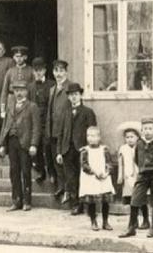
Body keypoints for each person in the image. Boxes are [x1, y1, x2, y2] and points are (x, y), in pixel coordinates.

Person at [120, 116, 153, 239]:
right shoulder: (140, 143)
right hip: (143, 175)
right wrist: (143, 169)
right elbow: (137, 159)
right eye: (145, 129)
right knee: (135, 199)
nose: (147, 131)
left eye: (150, 128)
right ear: (142, 131)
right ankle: (131, 227)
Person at [0, 80, 41, 212]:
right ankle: (16, 200)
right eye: (16, 91)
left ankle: (27, 201)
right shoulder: (10, 106)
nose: (19, 93)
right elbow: (5, 126)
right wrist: (2, 144)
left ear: (27, 92)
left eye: (22, 90)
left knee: (25, 171)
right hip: (12, 142)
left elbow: (36, 128)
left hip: (25, 144)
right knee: (14, 172)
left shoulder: (32, 107)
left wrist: (33, 144)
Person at [54, 81, 96, 215]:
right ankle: (75, 204)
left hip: (82, 149)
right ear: (68, 97)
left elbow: (92, 132)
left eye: (76, 94)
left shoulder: (88, 112)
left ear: (81, 95)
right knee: (71, 178)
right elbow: (60, 133)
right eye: (71, 95)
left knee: (83, 176)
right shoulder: (65, 113)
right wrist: (59, 152)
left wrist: (89, 149)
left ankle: (86, 204)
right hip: (67, 149)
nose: (74, 97)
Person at [80, 125, 115, 231]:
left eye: (94, 136)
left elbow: (109, 163)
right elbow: (84, 165)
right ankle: (93, 221)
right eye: (88, 136)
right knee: (91, 201)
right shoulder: (84, 151)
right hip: (91, 177)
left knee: (105, 200)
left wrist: (106, 172)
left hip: (103, 177)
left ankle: (105, 221)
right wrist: (94, 172)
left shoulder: (104, 150)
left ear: (99, 137)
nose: (90, 138)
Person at [45, 59, 71, 202]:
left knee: (66, 163)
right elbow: (50, 112)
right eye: (56, 71)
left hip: (65, 133)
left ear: (66, 72)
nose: (58, 74)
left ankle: (68, 191)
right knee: (57, 162)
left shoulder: (70, 88)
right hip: (54, 132)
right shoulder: (52, 90)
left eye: (61, 71)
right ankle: (61, 187)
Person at [116, 122, 149, 230]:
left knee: (142, 199)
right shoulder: (123, 148)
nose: (129, 139)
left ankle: (145, 220)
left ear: (138, 137)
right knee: (132, 200)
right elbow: (121, 163)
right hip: (128, 177)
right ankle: (134, 221)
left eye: (132, 137)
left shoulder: (141, 147)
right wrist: (120, 175)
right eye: (127, 137)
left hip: (139, 176)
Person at [29, 56, 55, 183]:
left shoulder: (52, 85)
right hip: (35, 122)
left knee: (48, 146)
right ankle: (41, 172)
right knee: (37, 146)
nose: (38, 73)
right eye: (35, 70)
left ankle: (52, 172)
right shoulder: (30, 87)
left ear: (45, 70)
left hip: (48, 121)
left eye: (40, 70)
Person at [0, 45, 33, 119]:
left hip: (26, 101)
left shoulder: (31, 71)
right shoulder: (10, 71)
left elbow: (33, 90)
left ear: (25, 57)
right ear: (14, 58)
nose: (19, 59)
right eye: (17, 56)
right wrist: (3, 109)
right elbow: (4, 91)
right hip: (12, 101)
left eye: (21, 56)